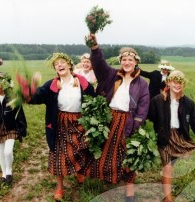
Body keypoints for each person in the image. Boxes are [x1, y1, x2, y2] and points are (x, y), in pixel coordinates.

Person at [84, 34, 150, 202]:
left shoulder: (142, 84)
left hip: (128, 122)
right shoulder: (112, 75)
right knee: (106, 153)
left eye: (130, 59)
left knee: (127, 157)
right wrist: (95, 48)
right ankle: (107, 180)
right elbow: (99, 65)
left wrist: (135, 128)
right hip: (109, 119)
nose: (127, 62)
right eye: (124, 59)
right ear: (121, 61)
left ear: (136, 62)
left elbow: (142, 109)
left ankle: (129, 193)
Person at [29, 52, 95, 201]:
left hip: (80, 122)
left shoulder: (82, 82)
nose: (59, 65)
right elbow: (36, 97)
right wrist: (28, 90)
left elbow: (95, 97)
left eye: (62, 62)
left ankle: (79, 171)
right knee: (59, 155)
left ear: (69, 65)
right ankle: (59, 187)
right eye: (56, 64)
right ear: (55, 69)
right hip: (59, 123)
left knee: (81, 149)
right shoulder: (51, 85)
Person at [148, 70, 195, 202]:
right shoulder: (158, 100)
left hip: (180, 137)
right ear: (168, 83)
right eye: (174, 81)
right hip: (164, 136)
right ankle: (168, 198)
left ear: (183, 85)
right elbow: (148, 116)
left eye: (180, 82)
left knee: (175, 165)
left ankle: (167, 185)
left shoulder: (188, 103)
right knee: (167, 167)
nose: (178, 84)